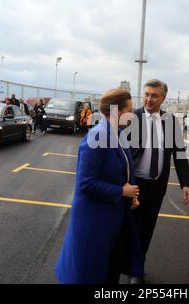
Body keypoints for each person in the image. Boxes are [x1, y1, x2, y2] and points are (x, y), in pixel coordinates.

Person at [55, 89, 144, 284]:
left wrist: (131, 195)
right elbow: (86, 182)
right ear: (117, 112)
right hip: (94, 221)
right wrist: (122, 191)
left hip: (111, 219)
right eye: (130, 109)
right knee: (91, 273)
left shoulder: (118, 134)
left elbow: (125, 168)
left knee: (109, 270)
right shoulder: (96, 137)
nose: (133, 114)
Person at [129, 79, 189, 284]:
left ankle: (138, 268)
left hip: (156, 186)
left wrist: (186, 184)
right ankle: (129, 268)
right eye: (146, 94)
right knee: (131, 228)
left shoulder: (171, 121)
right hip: (133, 184)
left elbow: (180, 154)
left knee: (147, 228)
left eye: (154, 95)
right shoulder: (131, 118)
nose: (149, 99)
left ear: (163, 98)